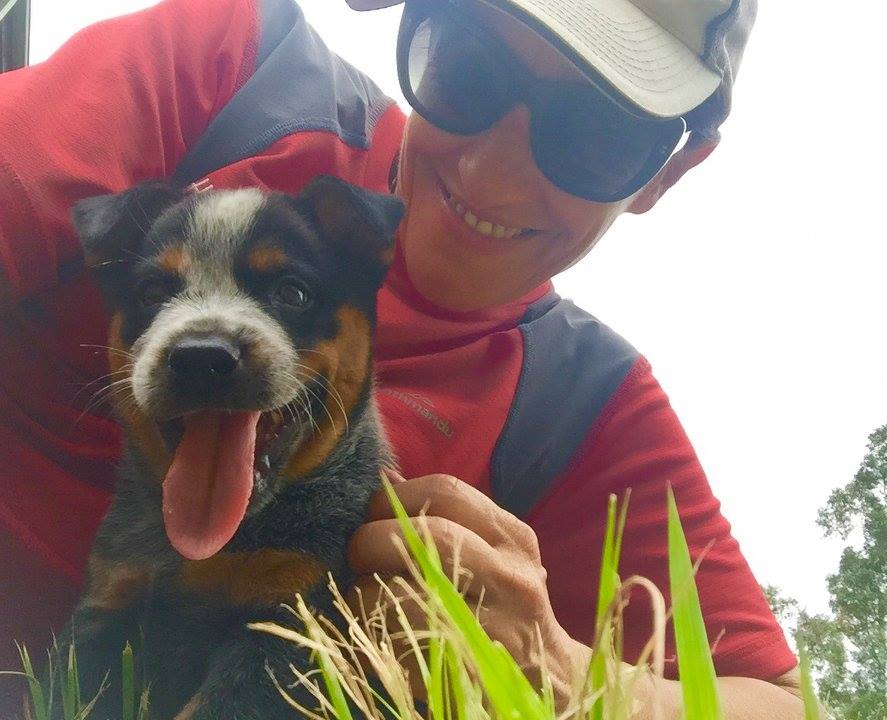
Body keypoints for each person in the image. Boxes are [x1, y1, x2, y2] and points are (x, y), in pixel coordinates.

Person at [0, 0, 802, 716]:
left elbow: (777, 705)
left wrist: (558, 670)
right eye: (466, 71)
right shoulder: (233, 69)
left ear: (669, 171)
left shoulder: (586, 402)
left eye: (592, 135)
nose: (492, 172)